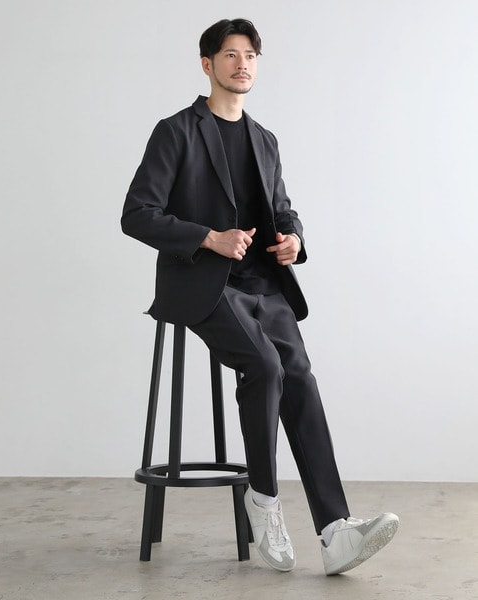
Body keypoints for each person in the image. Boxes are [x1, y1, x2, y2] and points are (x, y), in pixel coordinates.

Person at [121, 18, 399, 575]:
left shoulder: (264, 139)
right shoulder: (176, 131)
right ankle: (264, 501)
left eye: (250, 55)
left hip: (264, 286)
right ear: (207, 64)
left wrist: (294, 240)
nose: (242, 64)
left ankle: (335, 532)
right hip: (204, 284)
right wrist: (209, 238)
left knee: (300, 377)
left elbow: (282, 209)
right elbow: (137, 215)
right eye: (230, 54)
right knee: (266, 367)